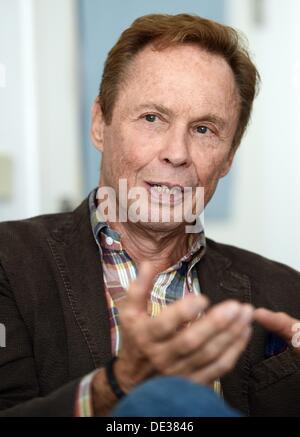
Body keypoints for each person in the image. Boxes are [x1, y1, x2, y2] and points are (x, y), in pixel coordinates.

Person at [0, 13, 300, 417]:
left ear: (228, 157)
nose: (176, 153)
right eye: (152, 118)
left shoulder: (286, 292)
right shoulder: (9, 262)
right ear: (100, 124)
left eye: (204, 129)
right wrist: (116, 386)